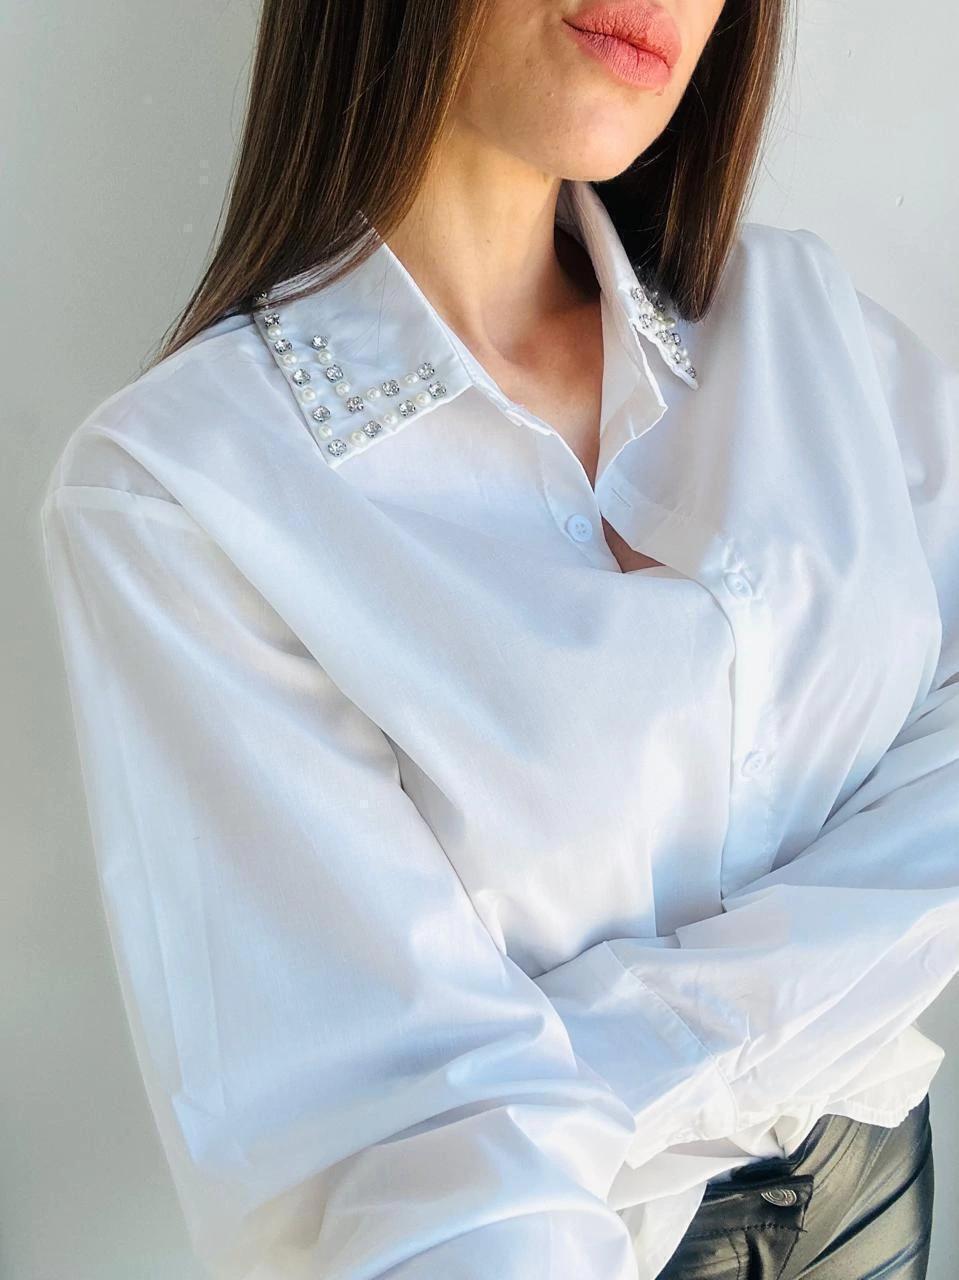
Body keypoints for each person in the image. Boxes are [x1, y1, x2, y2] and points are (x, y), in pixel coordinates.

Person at [37, 0, 957, 1277]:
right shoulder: (184, 492)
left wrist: (589, 1054)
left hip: (882, 1189)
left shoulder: (802, 324)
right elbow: (398, 1143)